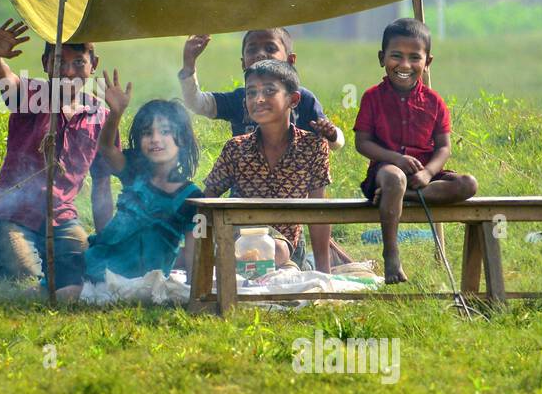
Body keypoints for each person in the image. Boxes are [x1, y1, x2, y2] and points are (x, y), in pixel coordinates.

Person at [0, 19, 116, 286]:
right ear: (44, 64)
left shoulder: (101, 117)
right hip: (11, 216)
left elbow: (102, 186)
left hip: (61, 218)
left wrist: (105, 242)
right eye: (58, 62)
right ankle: (3, 255)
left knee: (89, 275)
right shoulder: (31, 95)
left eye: (78, 62)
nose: (67, 71)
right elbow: (4, 78)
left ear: (93, 65)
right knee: (24, 278)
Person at [353, 17, 478, 283]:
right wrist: (395, 158)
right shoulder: (372, 97)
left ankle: (401, 195)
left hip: (424, 176)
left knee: (468, 184)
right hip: (385, 171)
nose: (405, 65)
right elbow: (362, 142)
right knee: (394, 178)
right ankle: (391, 255)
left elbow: (444, 147)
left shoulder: (434, 101)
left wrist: (428, 173)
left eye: (414, 58)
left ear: (427, 62)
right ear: (381, 57)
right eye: (396, 56)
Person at [58, 74, 203, 298]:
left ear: (181, 139)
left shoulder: (190, 197)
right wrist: (115, 114)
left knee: (67, 294)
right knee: (50, 286)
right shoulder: (135, 171)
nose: (155, 139)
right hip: (97, 262)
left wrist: (196, 293)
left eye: (165, 132)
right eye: (147, 133)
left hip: (135, 283)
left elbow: (195, 253)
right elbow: (106, 148)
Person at [201, 60, 332, 272]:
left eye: (269, 91)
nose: (258, 99)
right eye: (251, 93)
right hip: (240, 238)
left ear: (294, 99)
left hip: (288, 245)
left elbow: (318, 211)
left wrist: (324, 275)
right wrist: (202, 254)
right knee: (265, 250)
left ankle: (290, 268)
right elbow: (207, 198)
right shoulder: (236, 148)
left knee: (279, 251)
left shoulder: (313, 146)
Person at [179, 28, 343, 147]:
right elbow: (197, 103)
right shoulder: (239, 98)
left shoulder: (303, 99)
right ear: (243, 63)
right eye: (252, 49)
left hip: (293, 190)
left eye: (270, 48)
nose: (260, 54)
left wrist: (332, 134)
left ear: (290, 60)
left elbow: (334, 143)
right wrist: (189, 65)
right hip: (245, 192)